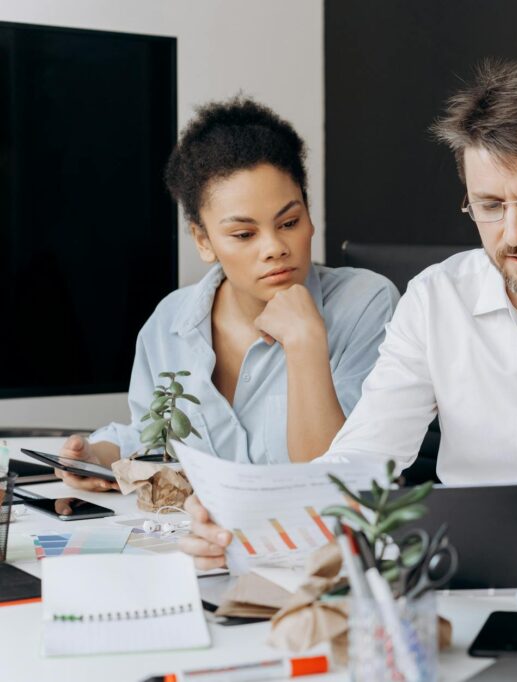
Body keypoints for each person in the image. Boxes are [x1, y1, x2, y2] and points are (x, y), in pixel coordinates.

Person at [180, 59, 517, 568]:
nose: (512, 233)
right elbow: (361, 461)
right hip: (467, 580)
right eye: (488, 205)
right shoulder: (436, 299)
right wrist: (245, 520)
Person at [55, 97, 399, 492]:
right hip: (201, 543)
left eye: (289, 221)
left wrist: (305, 342)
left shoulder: (366, 303)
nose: (274, 247)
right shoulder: (171, 322)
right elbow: (155, 438)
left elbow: (333, 483)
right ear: (203, 240)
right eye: (244, 234)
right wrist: (98, 456)